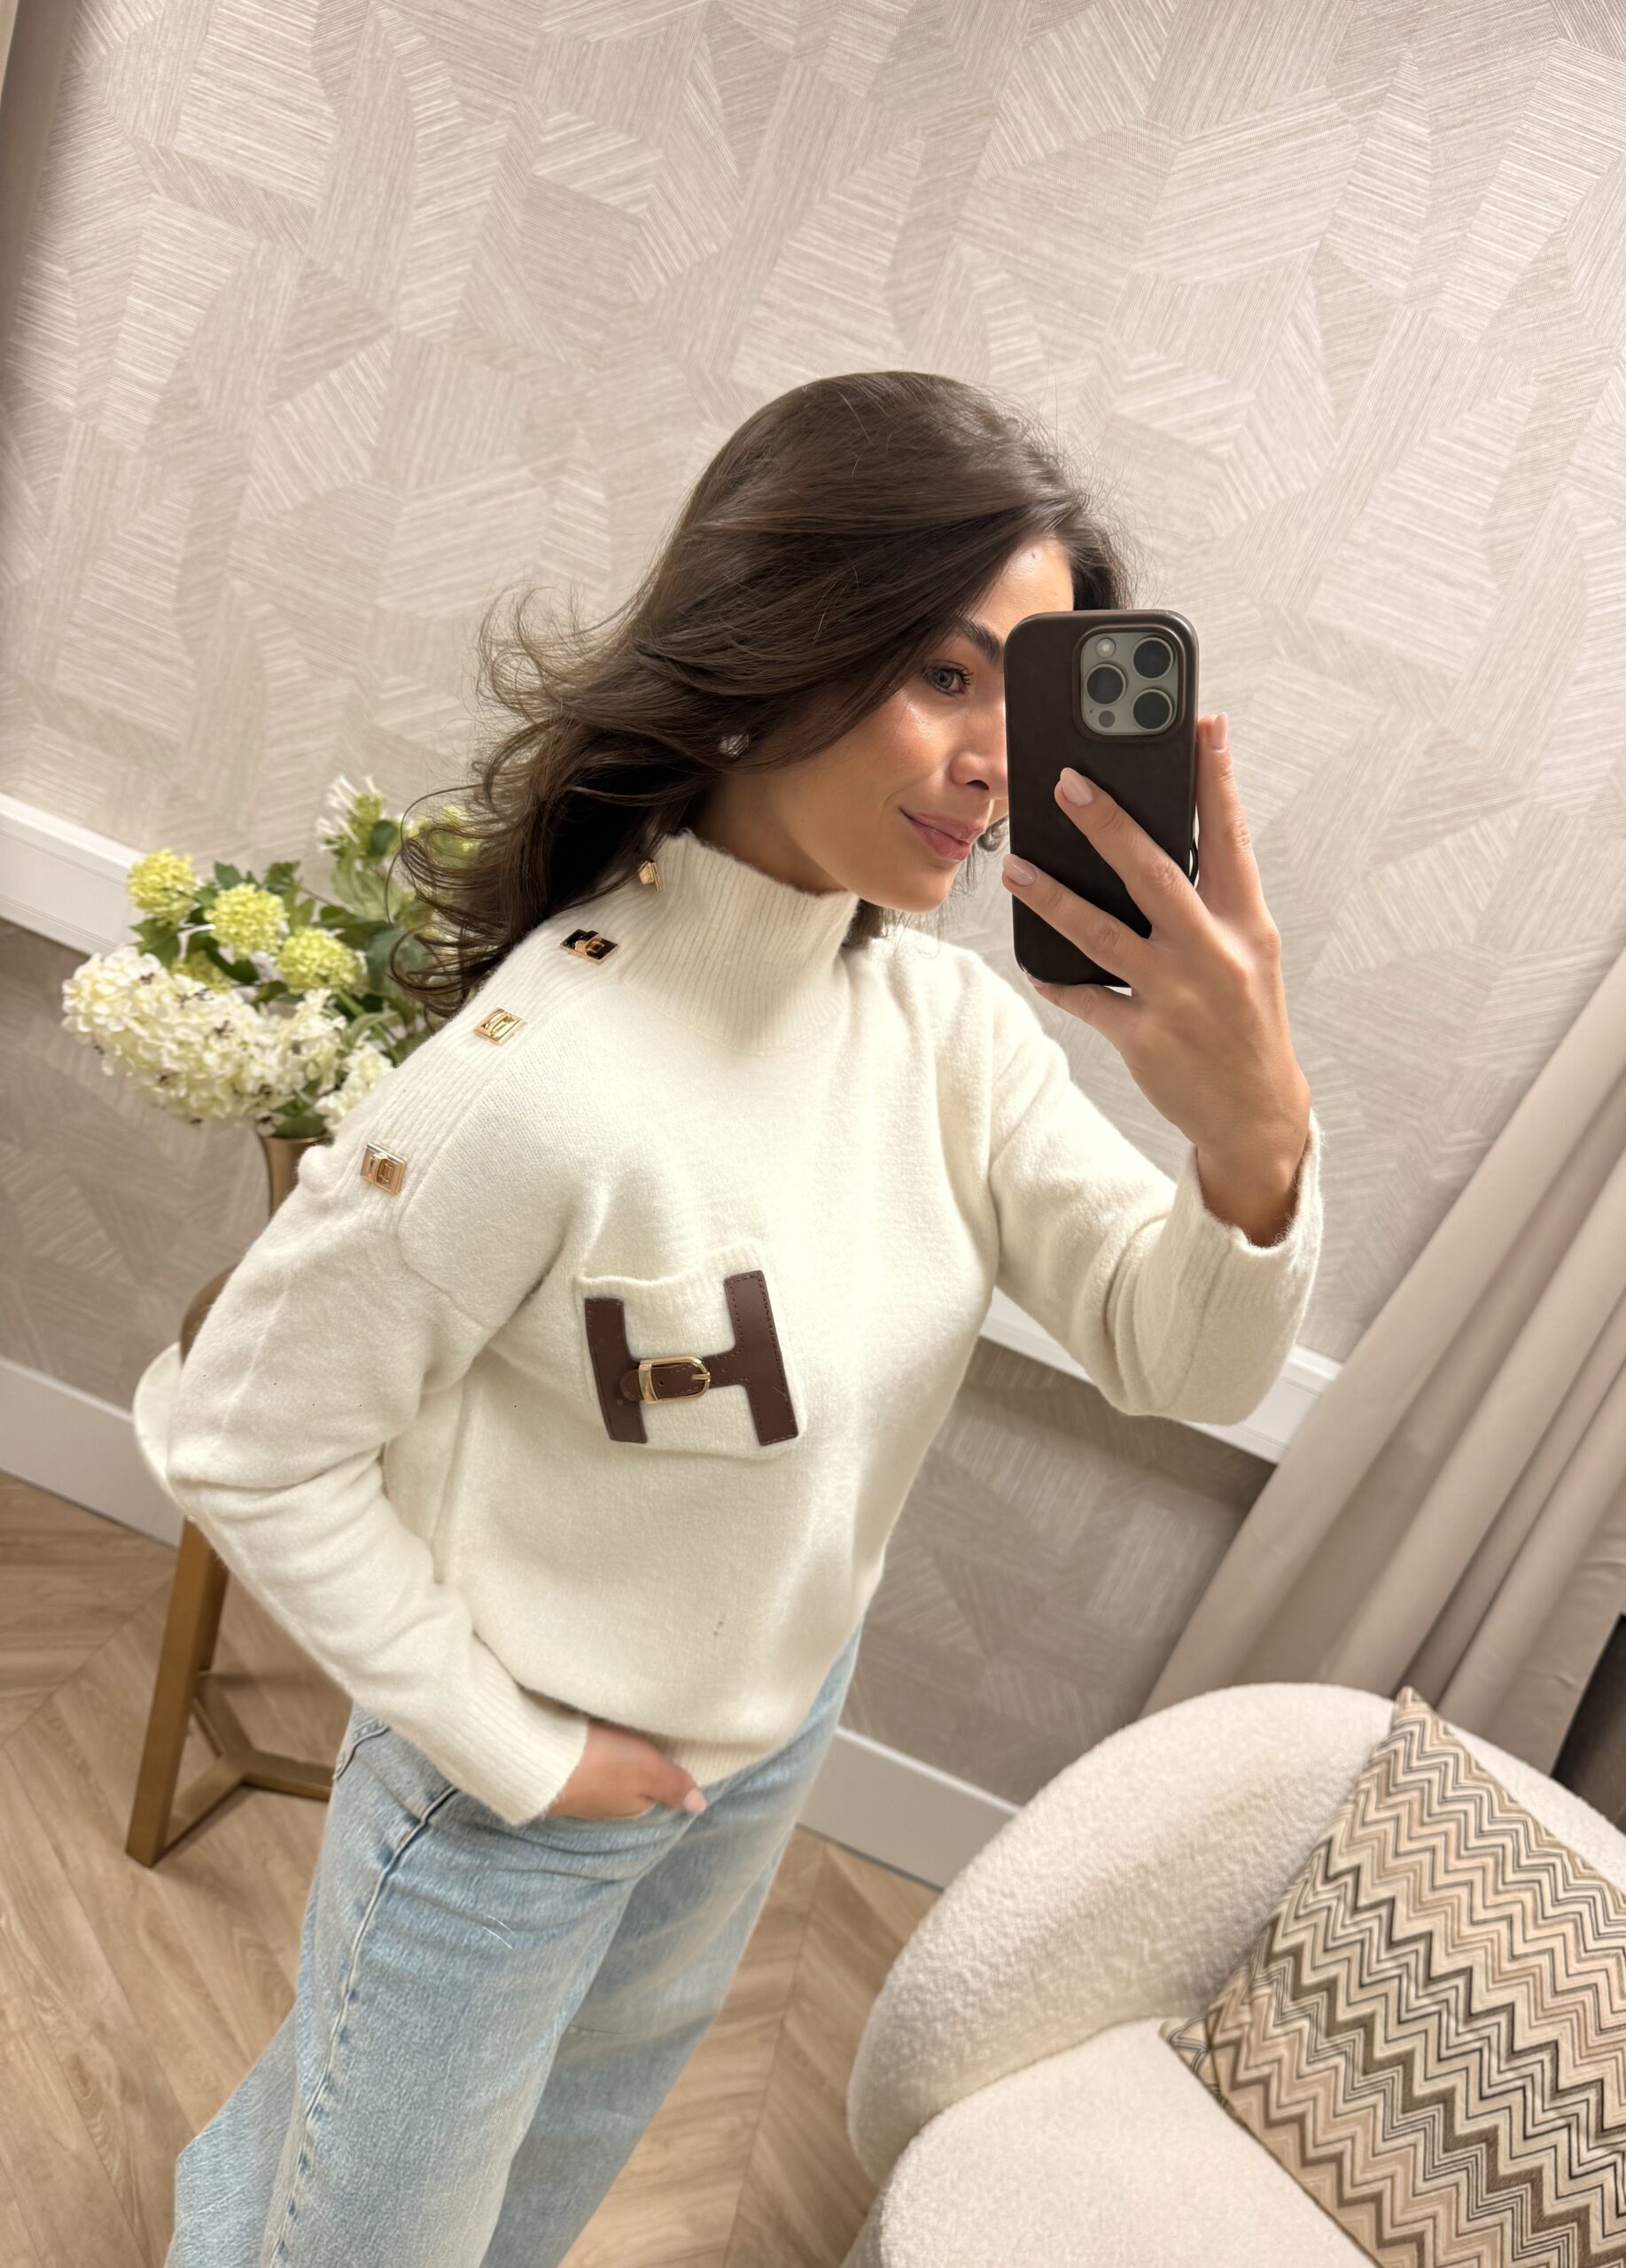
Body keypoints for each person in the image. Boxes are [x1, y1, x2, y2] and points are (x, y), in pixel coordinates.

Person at [162, 369, 1323, 2266]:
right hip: (510, 1800)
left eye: (1023, 699)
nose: (992, 763)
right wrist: (519, 1751)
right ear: (778, 638)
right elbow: (239, 1434)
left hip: (760, 1744)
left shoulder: (946, 1038)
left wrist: (1254, 1139)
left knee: (538, 2183)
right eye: (942, 674)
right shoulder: (540, 1080)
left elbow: (1179, 1354)